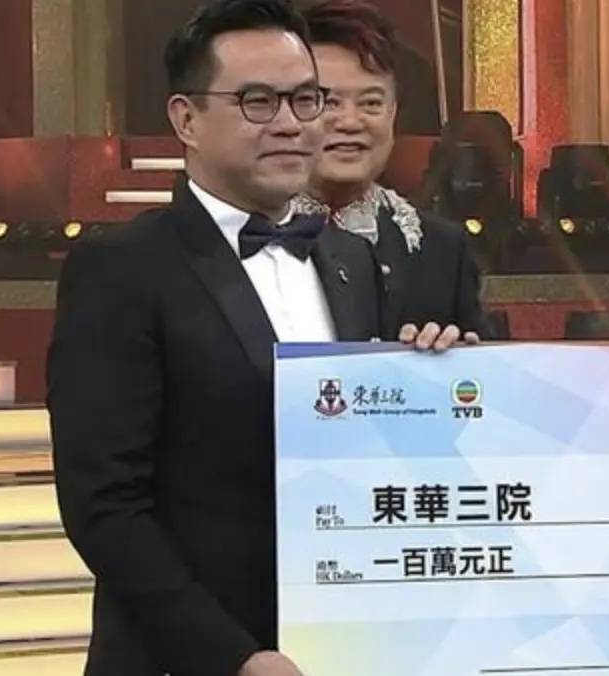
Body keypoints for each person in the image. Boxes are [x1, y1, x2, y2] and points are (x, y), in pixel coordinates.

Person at [47, 1, 463, 674]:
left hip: (338, 649)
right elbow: (105, 508)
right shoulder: (120, 269)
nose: (292, 124)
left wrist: (438, 385)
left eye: (305, 100)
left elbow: (363, 458)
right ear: (186, 119)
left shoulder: (348, 260)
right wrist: (236, 657)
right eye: (258, 102)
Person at [296, 0, 485, 347]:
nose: (350, 122)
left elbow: (481, 376)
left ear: (393, 113)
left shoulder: (443, 249)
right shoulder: (243, 237)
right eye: (328, 102)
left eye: (371, 103)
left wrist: (456, 359)